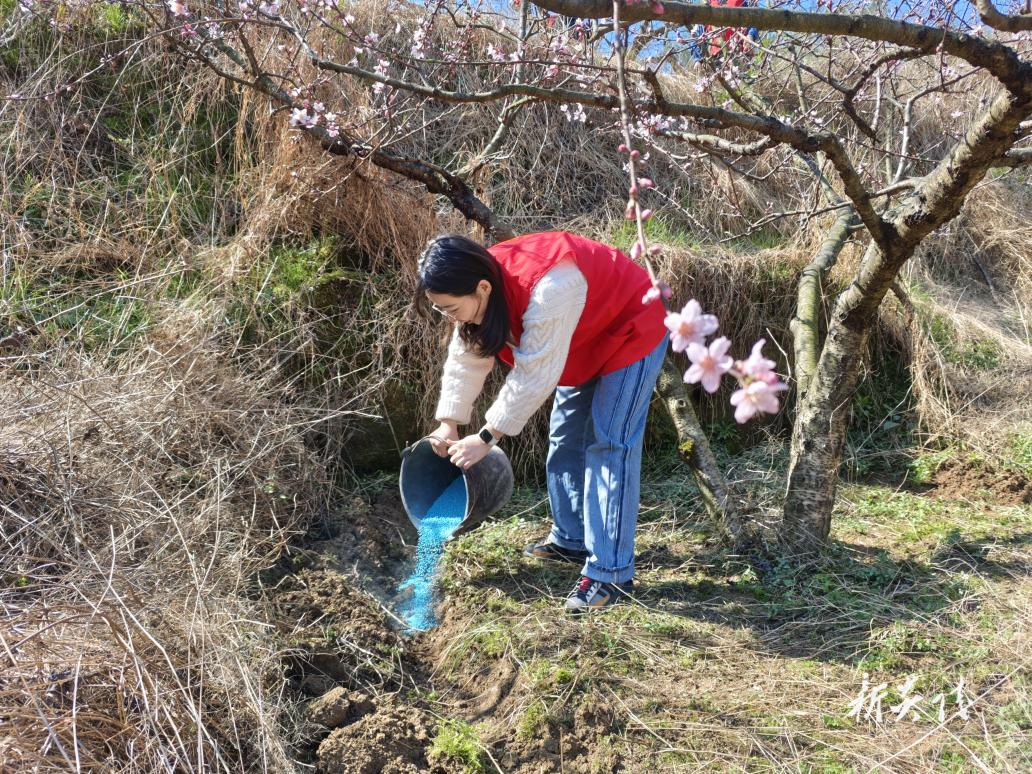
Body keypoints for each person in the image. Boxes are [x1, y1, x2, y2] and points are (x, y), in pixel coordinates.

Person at [413, 231, 667, 613]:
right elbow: (466, 356)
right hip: (580, 338)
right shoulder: (476, 285)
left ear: (482, 288)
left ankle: (609, 573)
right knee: (565, 436)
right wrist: (448, 422)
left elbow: (534, 374)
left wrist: (486, 436)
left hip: (630, 325)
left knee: (609, 444)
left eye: (450, 308)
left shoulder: (550, 286)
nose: (448, 317)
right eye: (440, 309)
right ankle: (571, 539)